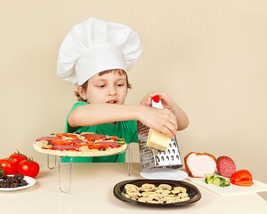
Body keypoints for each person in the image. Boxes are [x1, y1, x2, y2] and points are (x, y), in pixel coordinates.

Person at [56, 17, 189, 162]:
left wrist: (169, 107)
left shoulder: (126, 124)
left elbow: (181, 124)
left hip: (112, 183)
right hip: (76, 182)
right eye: (102, 85)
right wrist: (141, 112)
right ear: (83, 92)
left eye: (119, 85)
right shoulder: (82, 110)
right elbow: (78, 115)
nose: (112, 91)